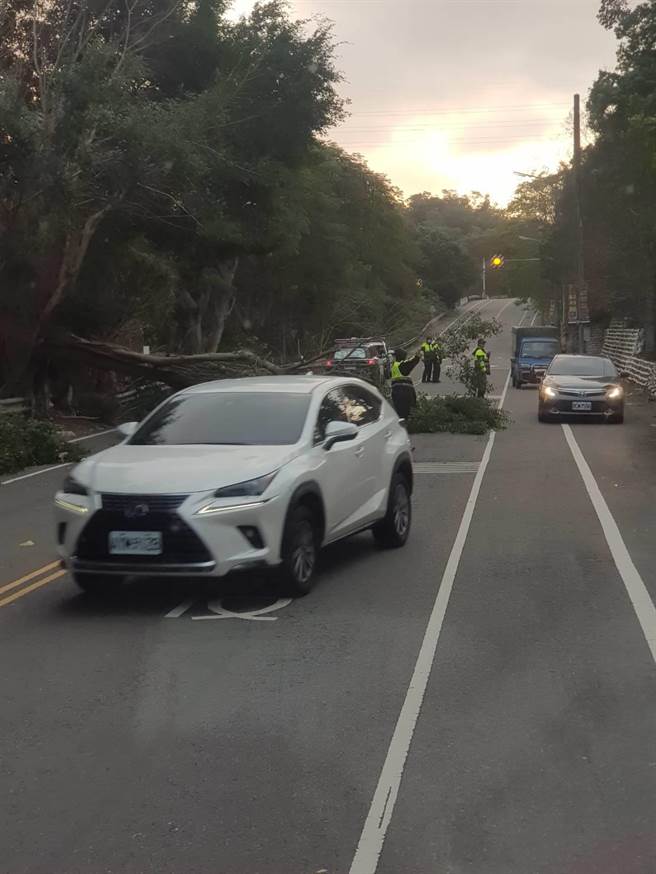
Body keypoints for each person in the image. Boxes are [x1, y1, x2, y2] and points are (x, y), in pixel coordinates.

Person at [391, 347, 421, 419]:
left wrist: (416, 357)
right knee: (407, 412)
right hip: (404, 391)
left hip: (400, 391)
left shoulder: (399, 365)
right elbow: (411, 362)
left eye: (394, 356)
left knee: (401, 412)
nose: (392, 357)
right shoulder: (398, 365)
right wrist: (417, 357)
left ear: (397, 356)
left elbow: (411, 363)